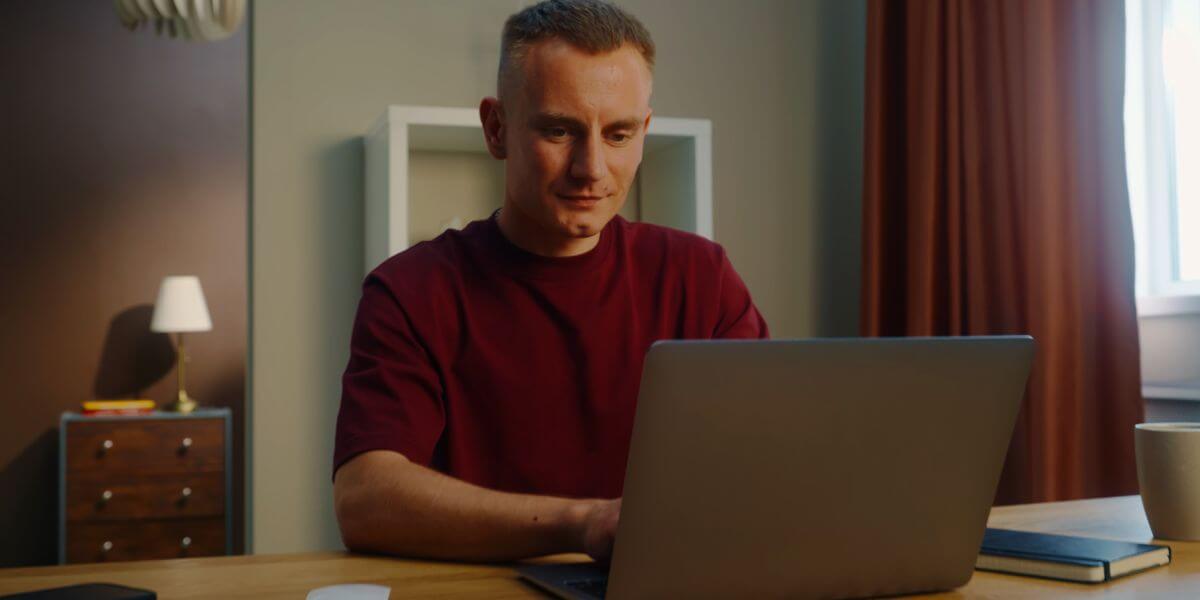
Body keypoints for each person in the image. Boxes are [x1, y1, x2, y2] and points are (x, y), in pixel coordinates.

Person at [332, 0, 768, 563]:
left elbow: (765, 459)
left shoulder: (701, 277)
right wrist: (583, 524)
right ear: (497, 128)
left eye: (618, 134)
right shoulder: (410, 291)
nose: (590, 168)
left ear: (645, 131)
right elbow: (364, 498)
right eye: (559, 131)